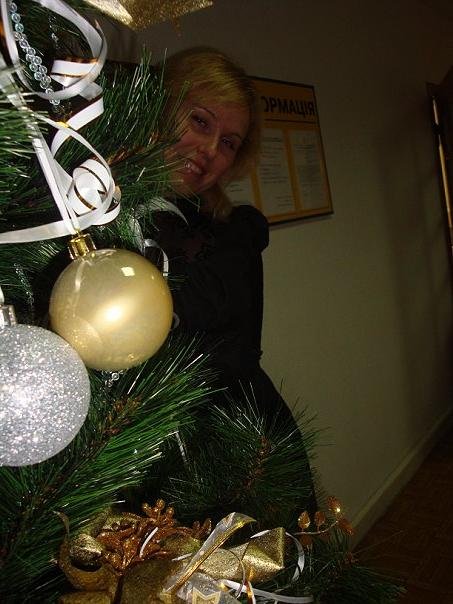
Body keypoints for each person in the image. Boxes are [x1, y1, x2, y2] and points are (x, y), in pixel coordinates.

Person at [146, 47, 316, 513]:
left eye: (228, 143)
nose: (209, 151)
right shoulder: (82, 214)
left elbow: (202, 317)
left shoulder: (232, 234)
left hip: (237, 450)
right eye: (200, 121)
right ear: (157, 107)